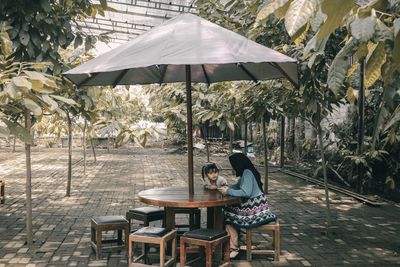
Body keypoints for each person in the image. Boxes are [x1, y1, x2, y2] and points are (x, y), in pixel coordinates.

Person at [218, 153, 276, 259]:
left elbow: (246, 192)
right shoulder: (247, 171)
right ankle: (233, 241)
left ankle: (233, 248)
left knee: (228, 217)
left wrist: (228, 191)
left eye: (234, 164)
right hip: (255, 207)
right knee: (228, 211)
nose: (233, 167)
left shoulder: (248, 173)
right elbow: (238, 186)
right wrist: (227, 187)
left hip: (255, 211)